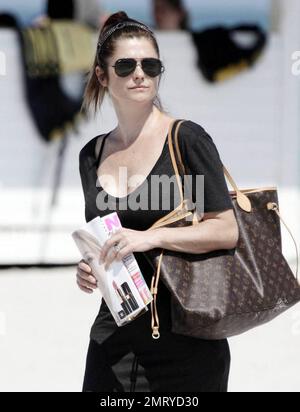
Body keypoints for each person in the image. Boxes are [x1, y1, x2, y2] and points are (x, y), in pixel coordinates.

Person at [76, 10, 239, 392]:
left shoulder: (186, 140)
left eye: (150, 65)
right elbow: (107, 234)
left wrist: (150, 237)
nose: (139, 74)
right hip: (113, 335)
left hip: (188, 336)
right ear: (102, 75)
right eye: (126, 65)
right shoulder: (91, 155)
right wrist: (90, 267)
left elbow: (225, 228)